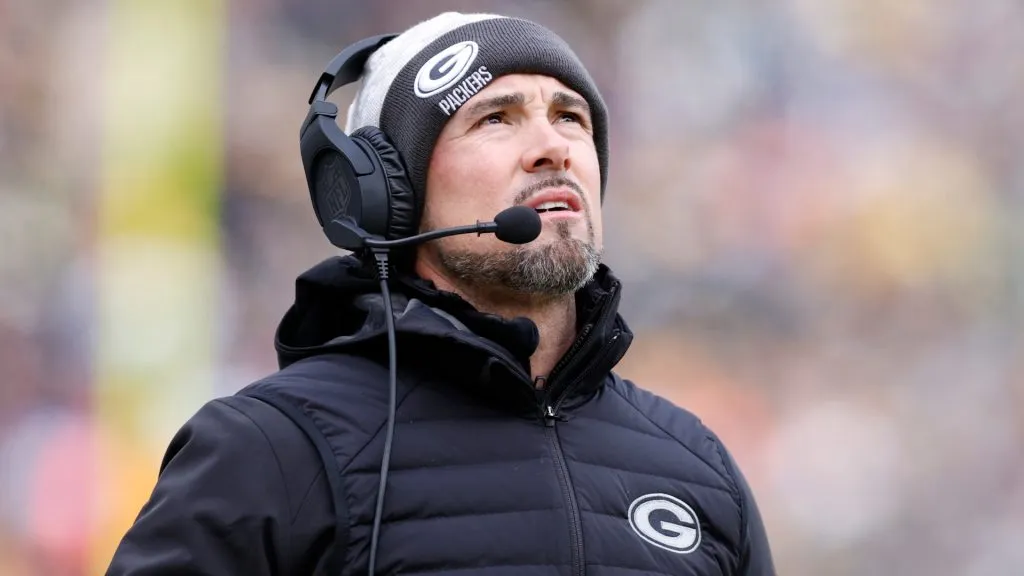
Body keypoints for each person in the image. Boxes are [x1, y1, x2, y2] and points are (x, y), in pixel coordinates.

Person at [106, 11, 776, 576]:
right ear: (387, 196)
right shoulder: (270, 449)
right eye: (496, 118)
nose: (553, 147)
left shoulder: (698, 469)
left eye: (571, 117)